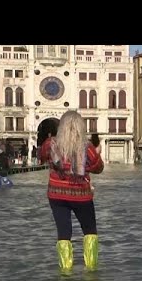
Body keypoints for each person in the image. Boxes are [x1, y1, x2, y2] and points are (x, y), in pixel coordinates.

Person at [40, 111, 104, 272]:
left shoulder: (50, 144)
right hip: (81, 195)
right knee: (89, 231)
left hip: (56, 195)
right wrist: (96, 154)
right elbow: (98, 168)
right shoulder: (87, 147)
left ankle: (65, 271)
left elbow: (41, 156)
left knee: (63, 232)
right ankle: (91, 270)